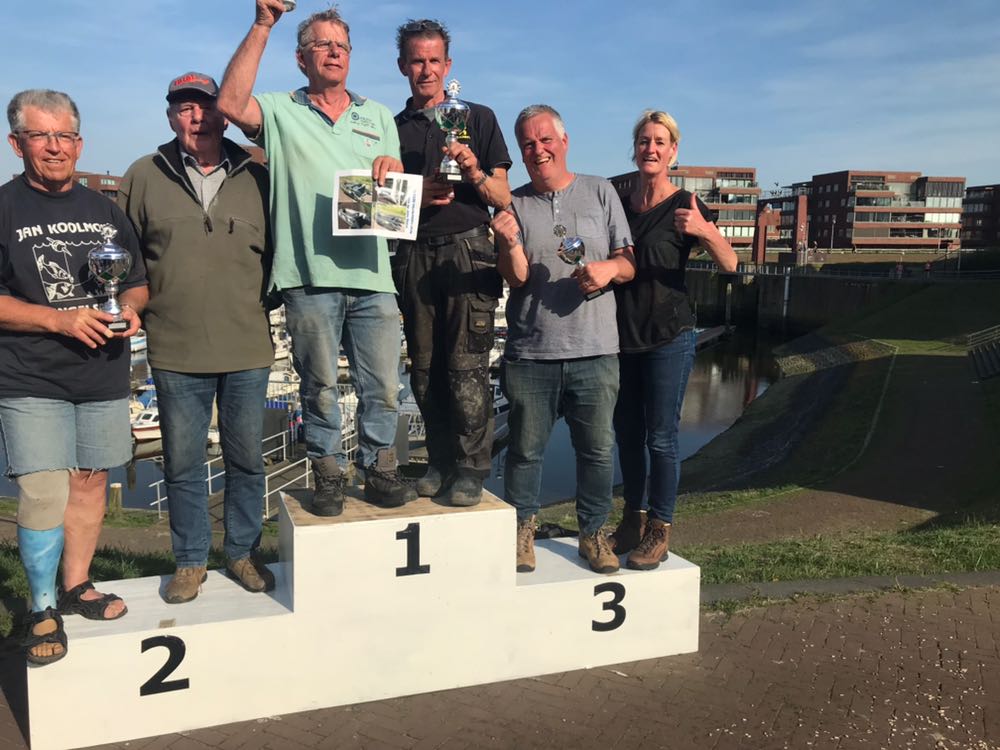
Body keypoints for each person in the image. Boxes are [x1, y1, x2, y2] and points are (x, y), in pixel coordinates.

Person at [218, 1, 415, 516]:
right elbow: (230, 103)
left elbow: (392, 199)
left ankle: (380, 468)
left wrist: (391, 168)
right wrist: (263, 23)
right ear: (302, 59)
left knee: (384, 388)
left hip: (373, 277)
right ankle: (328, 472)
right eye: (321, 45)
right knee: (320, 388)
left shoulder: (376, 115)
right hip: (307, 276)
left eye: (342, 45)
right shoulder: (281, 110)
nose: (334, 52)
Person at [0, 89, 147, 664]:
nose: (55, 147)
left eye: (64, 136)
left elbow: (136, 281)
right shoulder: (5, 207)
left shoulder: (105, 210)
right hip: (29, 376)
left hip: (102, 375)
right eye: (41, 136)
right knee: (41, 491)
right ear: (18, 144)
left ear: (79, 143)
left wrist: (131, 309)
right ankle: (39, 608)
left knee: (89, 483)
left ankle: (76, 584)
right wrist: (56, 321)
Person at [118, 72, 275, 604]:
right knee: (183, 464)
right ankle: (190, 561)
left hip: (247, 347)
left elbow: (280, 251)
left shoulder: (258, 172)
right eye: (184, 108)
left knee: (247, 461)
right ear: (170, 117)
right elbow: (122, 260)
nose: (197, 117)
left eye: (206, 107)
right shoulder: (142, 175)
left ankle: (242, 551)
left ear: (223, 112)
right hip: (174, 350)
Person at [491, 105, 634, 575]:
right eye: (528, 144)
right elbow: (516, 279)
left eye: (545, 139)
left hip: (595, 351)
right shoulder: (511, 203)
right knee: (524, 452)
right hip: (531, 354)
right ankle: (520, 532)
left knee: (596, 451)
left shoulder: (601, 190)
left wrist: (609, 270)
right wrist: (510, 243)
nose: (538, 150)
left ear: (564, 141)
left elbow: (628, 261)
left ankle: (593, 533)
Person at [609, 110, 737, 570]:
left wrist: (705, 231)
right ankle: (630, 520)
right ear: (635, 147)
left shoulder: (686, 204)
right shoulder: (620, 200)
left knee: (661, 438)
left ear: (673, 152)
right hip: (623, 337)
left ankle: (659, 528)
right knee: (626, 434)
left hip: (669, 337)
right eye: (644, 141)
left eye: (660, 142)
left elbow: (730, 264)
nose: (651, 149)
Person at [392, 19, 512, 506]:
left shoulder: (477, 117)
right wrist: (417, 198)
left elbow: (502, 195)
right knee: (423, 368)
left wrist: (471, 170)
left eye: (434, 60)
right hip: (413, 251)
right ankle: (438, 459)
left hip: (468, 248)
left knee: (467, 367)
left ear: (448, 65)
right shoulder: (389, 127)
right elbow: (383, 206)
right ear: (403, 66)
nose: (426, 69)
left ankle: (471, 467)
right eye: (416, 60)